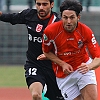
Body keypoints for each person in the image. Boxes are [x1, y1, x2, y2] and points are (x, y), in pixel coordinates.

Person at [0, 0, 64, 100]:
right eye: (38, 4)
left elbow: (65, 48)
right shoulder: (29, 15)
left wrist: (49, 56)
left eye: (45, 4)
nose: (41, 7)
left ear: (52, 5)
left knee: (57, 97)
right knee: (36, 95)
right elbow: (11, 18)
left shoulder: (58, 23)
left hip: (53, 66)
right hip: (34, 64)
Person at [42, 0, 100, 100]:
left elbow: (98, 58)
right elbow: (46, 51)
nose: (68, 21)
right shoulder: (50, 31)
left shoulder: (86, 31)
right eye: (65, 17)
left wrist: (89, 66)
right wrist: (62, 63)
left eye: (72, 17)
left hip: (83, 69)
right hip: (64, 76)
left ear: (78, 17)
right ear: (61, 17)